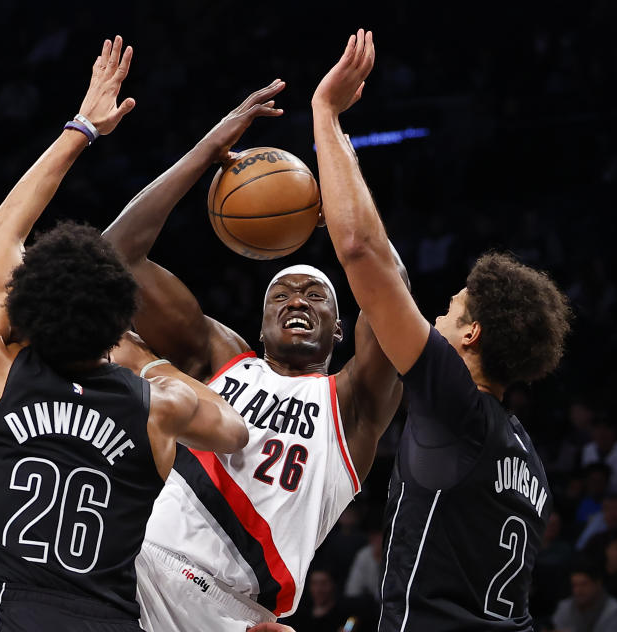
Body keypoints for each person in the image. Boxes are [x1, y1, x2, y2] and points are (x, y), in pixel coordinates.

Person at [0, 37, 247, 632]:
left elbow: (1, 234)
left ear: (30, 305)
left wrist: (82, 128)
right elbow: (232, 429)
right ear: (119, 320)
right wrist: (146, 360)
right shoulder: (157, 407)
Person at [102, 78, 405, 631]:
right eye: (280, 294)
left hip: (233, 613)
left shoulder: (352, 403)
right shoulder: (221, 358)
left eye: (317, 296)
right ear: (259, 328)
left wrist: (330, 138)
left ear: (341, 331)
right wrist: (206, 150)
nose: (297, 300)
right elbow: (114, 258)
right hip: (138, 566)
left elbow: (388, 284)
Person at [310, 29, 573, 630]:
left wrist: (325, 114)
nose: (435, 316)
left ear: (472, 335)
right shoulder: (527, 460)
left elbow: (359, 251)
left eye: (450, 310)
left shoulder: (454, 402)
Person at [550, 563, 617, 632]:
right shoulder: (565, 606)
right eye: (575, 585)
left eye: (584, 584)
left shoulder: (615, 611)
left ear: (598, 583)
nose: (578, 591)